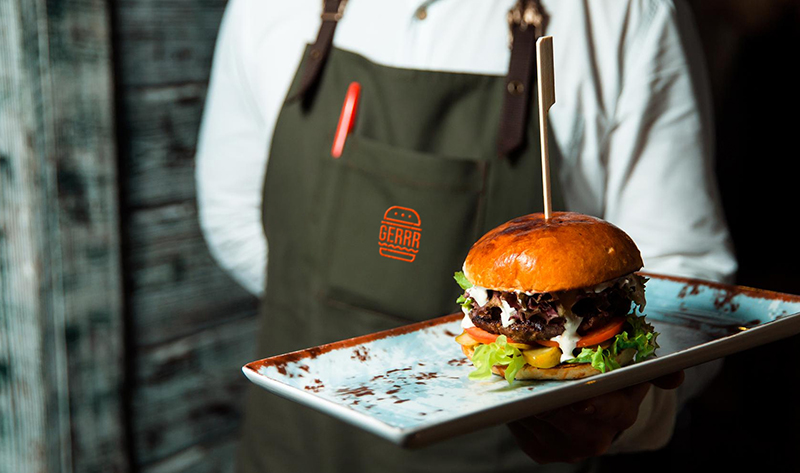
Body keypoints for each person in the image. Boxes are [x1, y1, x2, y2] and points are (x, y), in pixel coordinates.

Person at [195, 0, 736, 471]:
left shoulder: (625, 14)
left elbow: (688, 273)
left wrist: (625, 408)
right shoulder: (266, 7)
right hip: (297, 445)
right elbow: (233, 215)